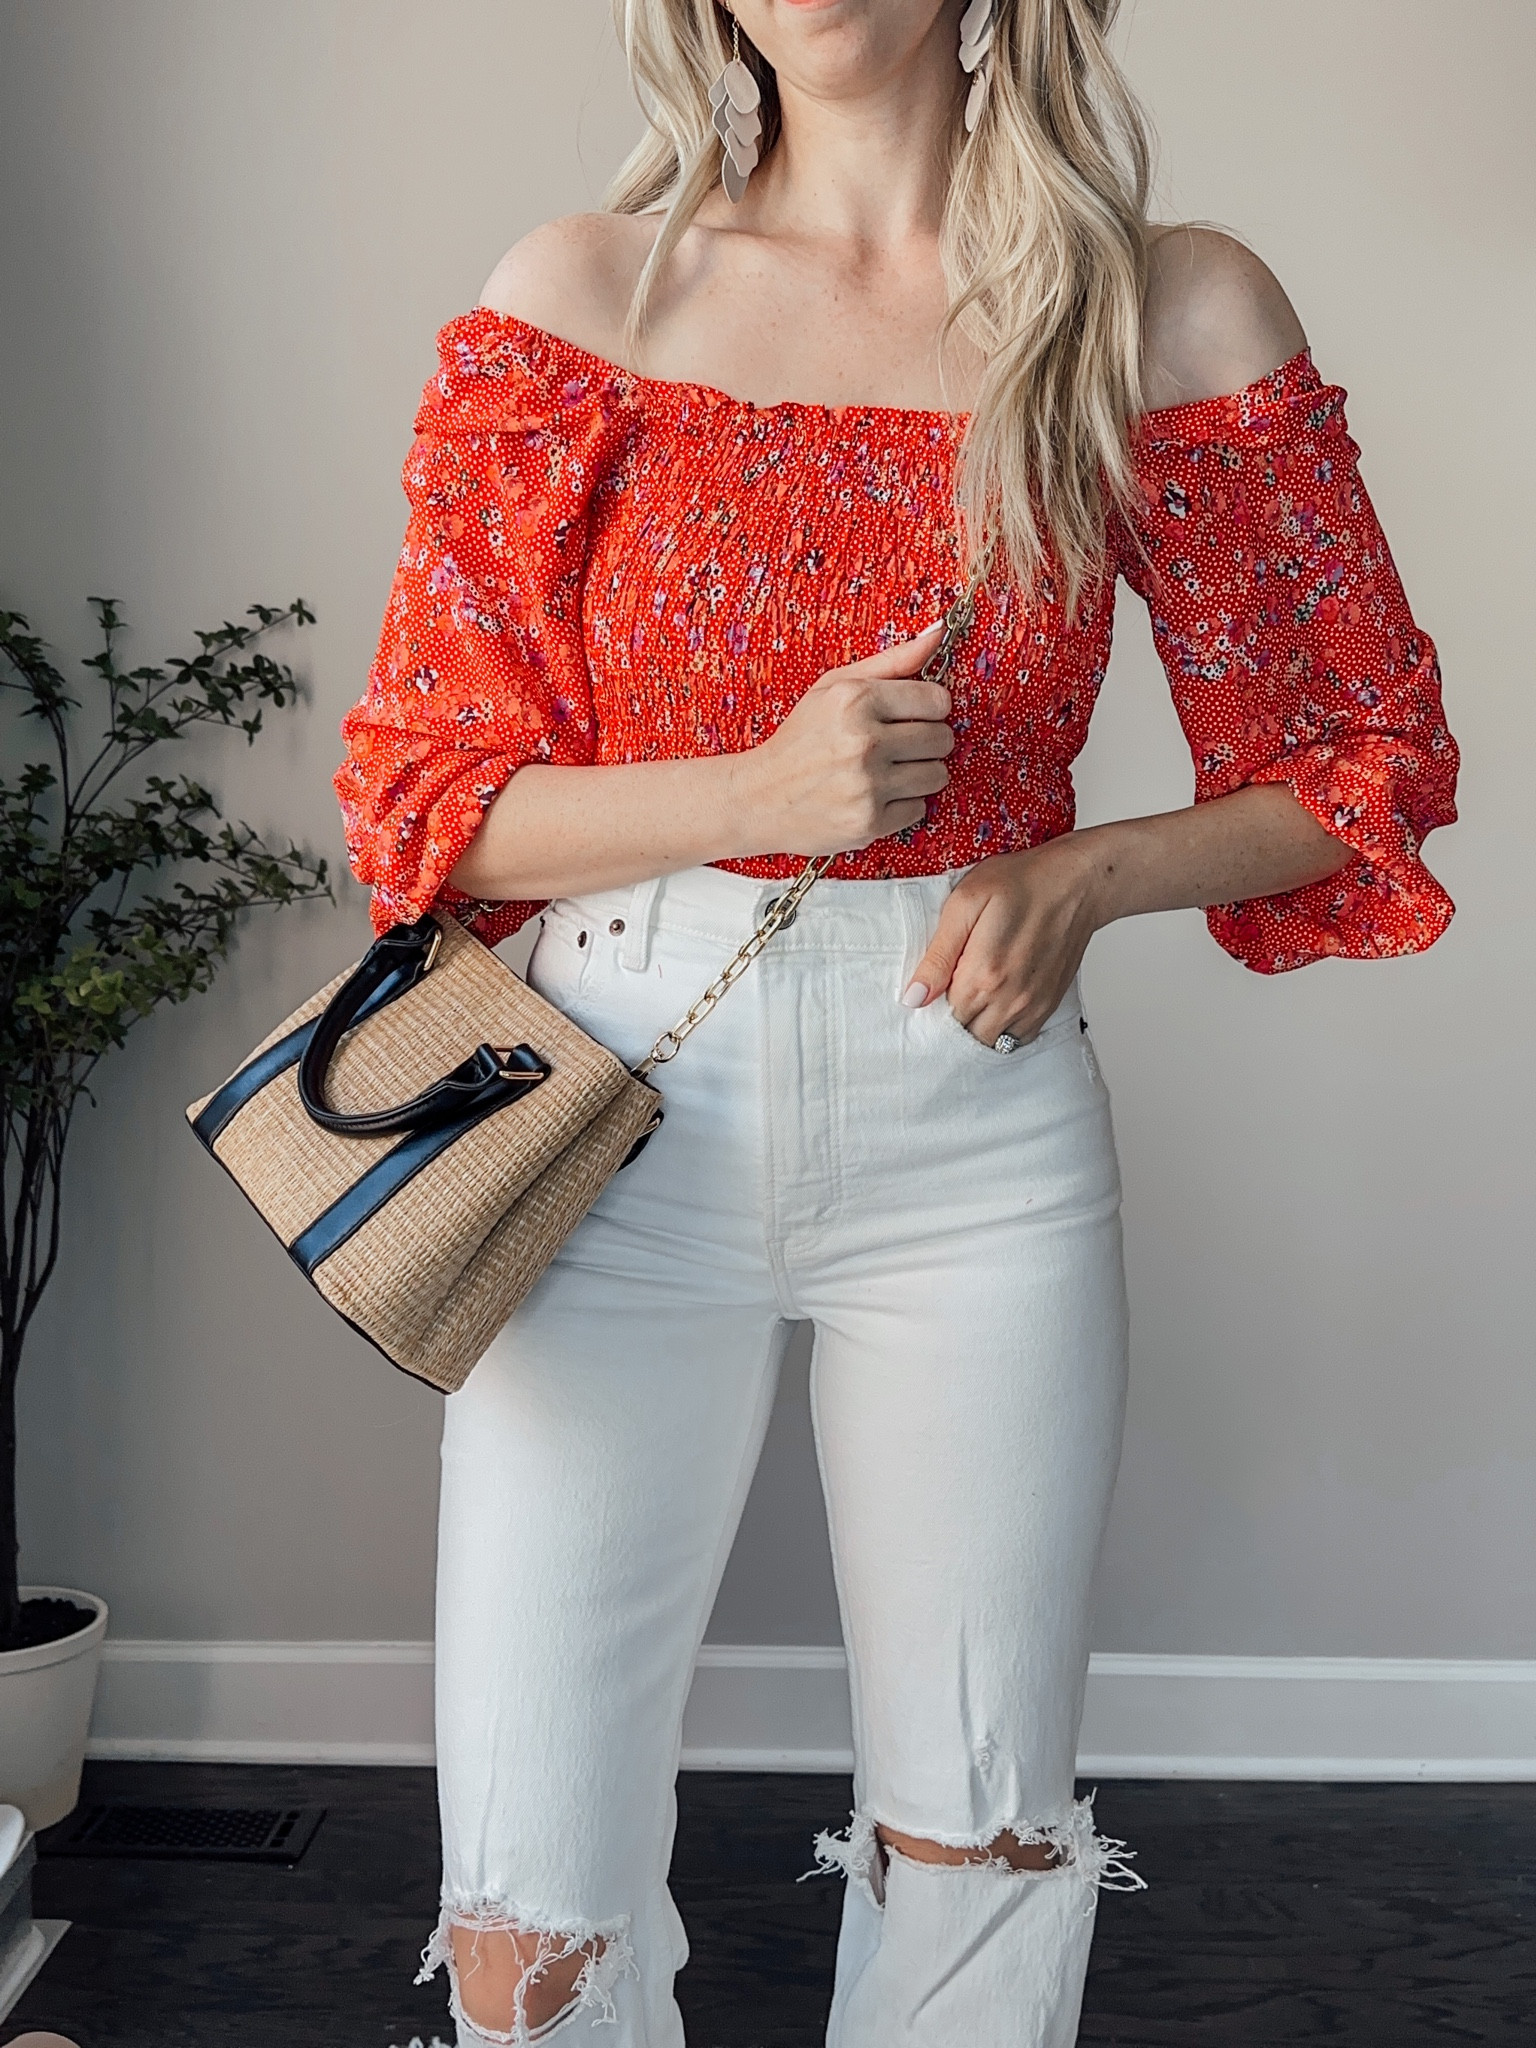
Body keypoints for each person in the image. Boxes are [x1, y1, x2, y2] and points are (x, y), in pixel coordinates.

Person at [334, 3, 1458, 2041]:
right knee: (527, 1882)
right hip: (605, 1120)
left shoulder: (1159, 309)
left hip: (977, 1130)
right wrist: (754, 793)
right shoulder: (588, 294)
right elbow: (424, 802)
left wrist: (1084, 871)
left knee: (981, 1835)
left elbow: (1362, 756)